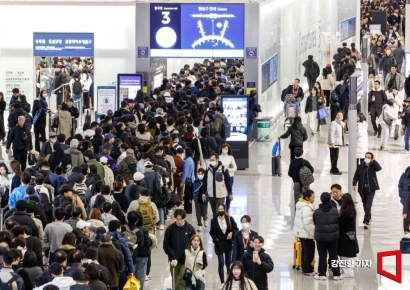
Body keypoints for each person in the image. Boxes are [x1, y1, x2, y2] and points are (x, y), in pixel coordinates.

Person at [163, 209, 196, 290]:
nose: (179, 221)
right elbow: (166, 245)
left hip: (186, 260)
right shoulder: (170, 229)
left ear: (184, 218)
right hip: (173, 260)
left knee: (183, 279)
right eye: (177, 219)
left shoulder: (190, 229)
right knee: (175, 280)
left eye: (181, 219)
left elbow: (194, 244)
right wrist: (172, 256)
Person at [313, 192, 342, 280]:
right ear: (330, 199)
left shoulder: (317, 212)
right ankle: (336, 274)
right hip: (333, 237)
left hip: (320, 237)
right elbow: (338, 221)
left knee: (322, 256)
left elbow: (315, 222)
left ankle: (322, 274)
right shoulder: (335, 210)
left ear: (321, 200)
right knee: (334, 255)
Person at [210, 203, 239, 286]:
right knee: (221, 262)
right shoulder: (213, 220)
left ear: (225, 210)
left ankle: (229, 279)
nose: (220, 211)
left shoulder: (229, 219)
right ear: (216, 210)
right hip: (219, 244)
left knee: (228, 263)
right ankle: (222, 282)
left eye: (222, 209)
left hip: (228, 243)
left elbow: (236, 229)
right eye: (219, 209)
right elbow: (212, 232)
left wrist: (231, 233)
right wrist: (215, 239)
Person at [353, 152, 382, 229]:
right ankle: (369, 217)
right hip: (362, 189)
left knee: (368, 205)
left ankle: (366, 221)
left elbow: (379, 168)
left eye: (369, 157)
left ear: (371, 158)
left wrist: (374, 161)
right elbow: (356, 176)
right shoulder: (360, 167)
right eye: (366, 157)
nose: (367, 158)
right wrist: (354, 184)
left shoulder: (373, 166)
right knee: (365, 204)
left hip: (371, 189)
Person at [293, 190, 316, 276]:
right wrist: (314, 232)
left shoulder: (300, 205)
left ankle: (305, 267)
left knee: (304, 251)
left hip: (301, 233)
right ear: (307, 198)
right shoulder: (306, 208)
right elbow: (308, 223)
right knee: (309, 252)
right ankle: (308, 270)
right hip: (306, 234)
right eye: (312, 197)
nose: (314, 199)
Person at [338, 193, 359, 278]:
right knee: (347, 255)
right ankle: (347, 272)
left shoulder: (345, 212)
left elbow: (341, 222)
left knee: (345, 256)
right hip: (350, 236)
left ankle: (348, 273)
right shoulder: (352, 210)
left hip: (344, 236)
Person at [219, 143, 237, 211]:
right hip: (221, 177)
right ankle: (221, 208)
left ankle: (227, 209)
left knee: (228, 192)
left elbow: (235, 168)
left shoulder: (231, 158)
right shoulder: (219, 157)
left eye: (226, 149)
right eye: (223, 148)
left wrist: (227, 169)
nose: (224, 150)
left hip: (229, 177)